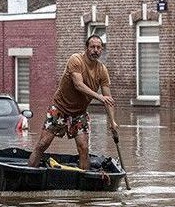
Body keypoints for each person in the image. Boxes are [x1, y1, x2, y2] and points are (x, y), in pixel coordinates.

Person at [28, 35, 119, 171]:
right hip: (59, 108)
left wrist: (112, 122)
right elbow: (78, 85)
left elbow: (108, 99)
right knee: (43, 143)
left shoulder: (102, 70)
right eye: (92, 47)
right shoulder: (76, 60)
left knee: (84, 148)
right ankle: (29, 172)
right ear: (86, 48)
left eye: (99, 47)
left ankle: (85, 181)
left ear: (102, 50)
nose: (95, 50)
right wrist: (99, 97)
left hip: (79, 113)